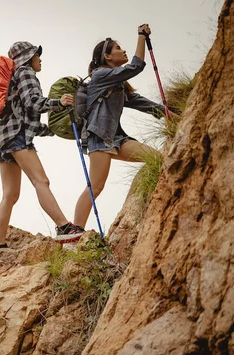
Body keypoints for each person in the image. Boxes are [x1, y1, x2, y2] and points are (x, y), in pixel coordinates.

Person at [73, 24, 178, 228]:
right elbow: (136, 67)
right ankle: (74, 232)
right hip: (98, 136)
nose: (123, 50)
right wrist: (141, 36)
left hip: (116, 138)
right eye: (118, 48)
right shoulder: (100, 76)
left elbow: (144, 104)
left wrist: (174, 117)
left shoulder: (118, 84)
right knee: (96, 185)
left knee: (155, 159)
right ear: (108, 57)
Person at [0, 41, 85, 254]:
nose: (40, 58)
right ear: (27, 57)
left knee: (9, 195)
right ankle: (63, 227)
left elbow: (24, 116)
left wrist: (50, 129)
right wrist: (58, 102)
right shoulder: (25, 72)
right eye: (37, 55)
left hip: (4, 138)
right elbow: (32, 102)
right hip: (17, 137)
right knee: (41, 181)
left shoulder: (13, 78)